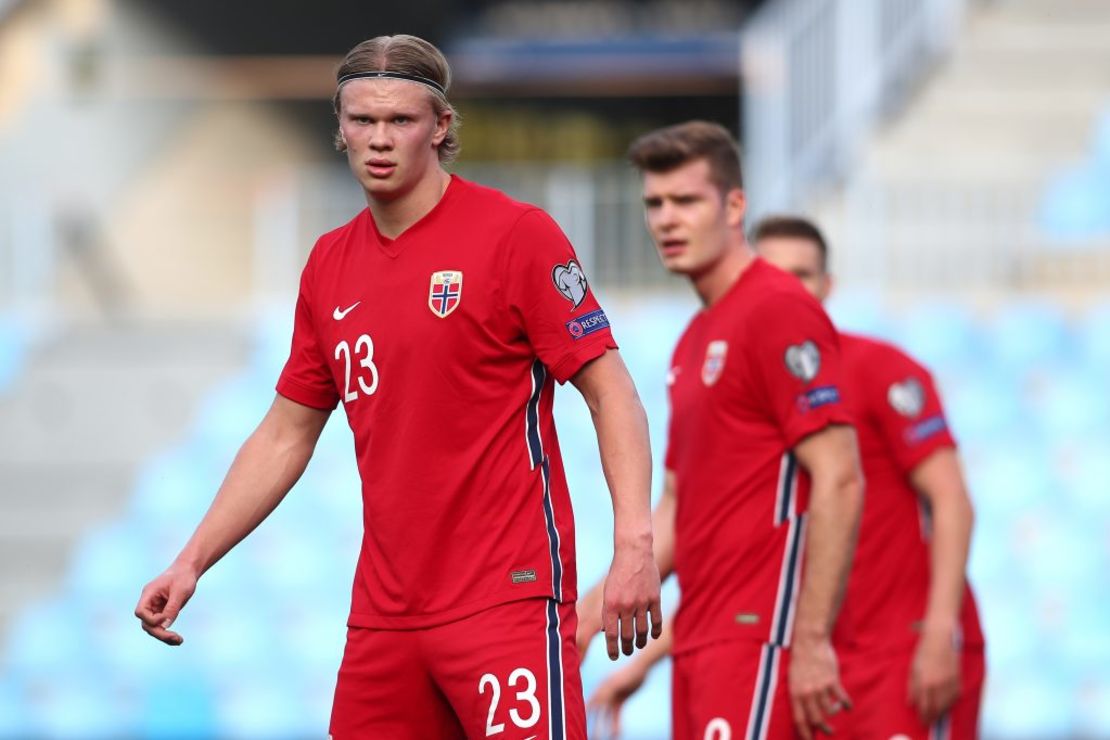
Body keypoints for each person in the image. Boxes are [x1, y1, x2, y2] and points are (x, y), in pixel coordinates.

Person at [134, 34, 662, 740]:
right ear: (340, 128)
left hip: (505, 600)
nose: (379, 140)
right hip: (384, 617)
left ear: (440, 127)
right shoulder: (328, 265)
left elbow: (611, 391)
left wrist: (634, 544)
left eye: (401, 121)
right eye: (362, 120)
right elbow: (287, 432)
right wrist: (192, 559)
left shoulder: (516, 236)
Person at [587, 215, 986, 740]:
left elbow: (952, 502)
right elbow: (730, 563)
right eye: (773, 275)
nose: (787, 291)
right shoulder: (739, 396)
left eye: (802, 275)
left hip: (901, 653)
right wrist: (638, 657)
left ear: (828, 286)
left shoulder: (883, 371)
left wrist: (939, 635)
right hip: (807, 658)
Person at [577, 122, 864, 740]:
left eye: (687, 201)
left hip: (761, 631)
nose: (666, 220)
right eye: (655, 203)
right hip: (703, 636)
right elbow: (680, 502)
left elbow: (839, 474)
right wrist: (590, 611)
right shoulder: (695, 338)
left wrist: (810, 639)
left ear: (735, 206)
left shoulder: (777, 308)